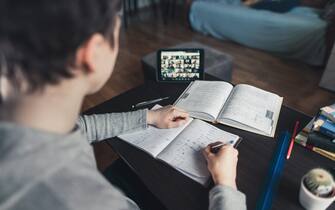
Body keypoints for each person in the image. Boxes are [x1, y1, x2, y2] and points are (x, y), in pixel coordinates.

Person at [0, 0, 246, 210]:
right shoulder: (81, 199)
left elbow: (80, 126)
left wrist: (148, 117)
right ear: (92, 53)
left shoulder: (29, 125)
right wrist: (225, 185)